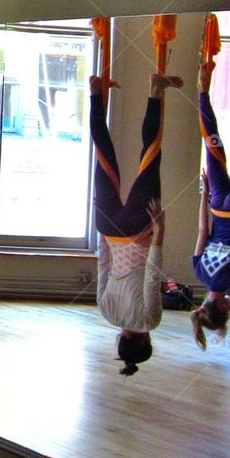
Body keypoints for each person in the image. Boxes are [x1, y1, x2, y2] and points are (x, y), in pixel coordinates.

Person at [88, 70, 181, 375]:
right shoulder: (106, 312)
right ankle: (94, 93)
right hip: (108, 228)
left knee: (151, 154)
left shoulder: (148, 321)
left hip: (137, 228)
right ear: (121, 340)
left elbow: (152, 277)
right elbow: (103, 265)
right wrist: (101, 228)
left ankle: (155, 89)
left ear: (145, 341)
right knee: (103, 154)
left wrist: (160, 232)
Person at [192, 62, 230, 348]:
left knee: (213, 144)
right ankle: (202, 91)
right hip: (217, 202)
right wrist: (205, 194)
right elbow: (202, 229)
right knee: (211, 143)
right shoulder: (198, 272)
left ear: (221, 308)